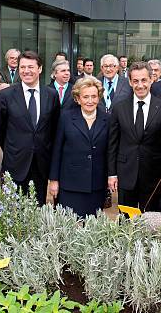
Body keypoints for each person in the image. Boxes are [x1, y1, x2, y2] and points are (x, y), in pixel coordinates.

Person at [0, 51, 60, 205]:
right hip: (15, 163)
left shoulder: (51, 95)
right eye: (22, 67)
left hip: (41, 166)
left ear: (40, 69)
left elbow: (54, 128)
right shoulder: (6, 95)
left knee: (38, 208)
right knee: (12, 212)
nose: (26, 71)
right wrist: (14, 146)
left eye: (31, 67)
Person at [107, 62, 161, 212]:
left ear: (151, 79)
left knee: (152, 225)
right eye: (135, 81)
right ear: (130, 82)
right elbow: (112, 144)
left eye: (144, 80)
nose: (140, 85)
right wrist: (112, 174)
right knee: (126, 223)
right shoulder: (119, 108)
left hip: (153, 178)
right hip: (126, 175)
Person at [49, 77, 109, 217]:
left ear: (99, 97)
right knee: (67, 225)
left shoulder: (107, 119)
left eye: (94, 96)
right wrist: (53, 180)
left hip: (96, 184)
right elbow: (57, 150)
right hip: (70, 184)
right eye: (85, 96)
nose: (90, 101)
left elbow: (109, 151)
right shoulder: (66, 118)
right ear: (77, 98)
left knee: (92, 228)